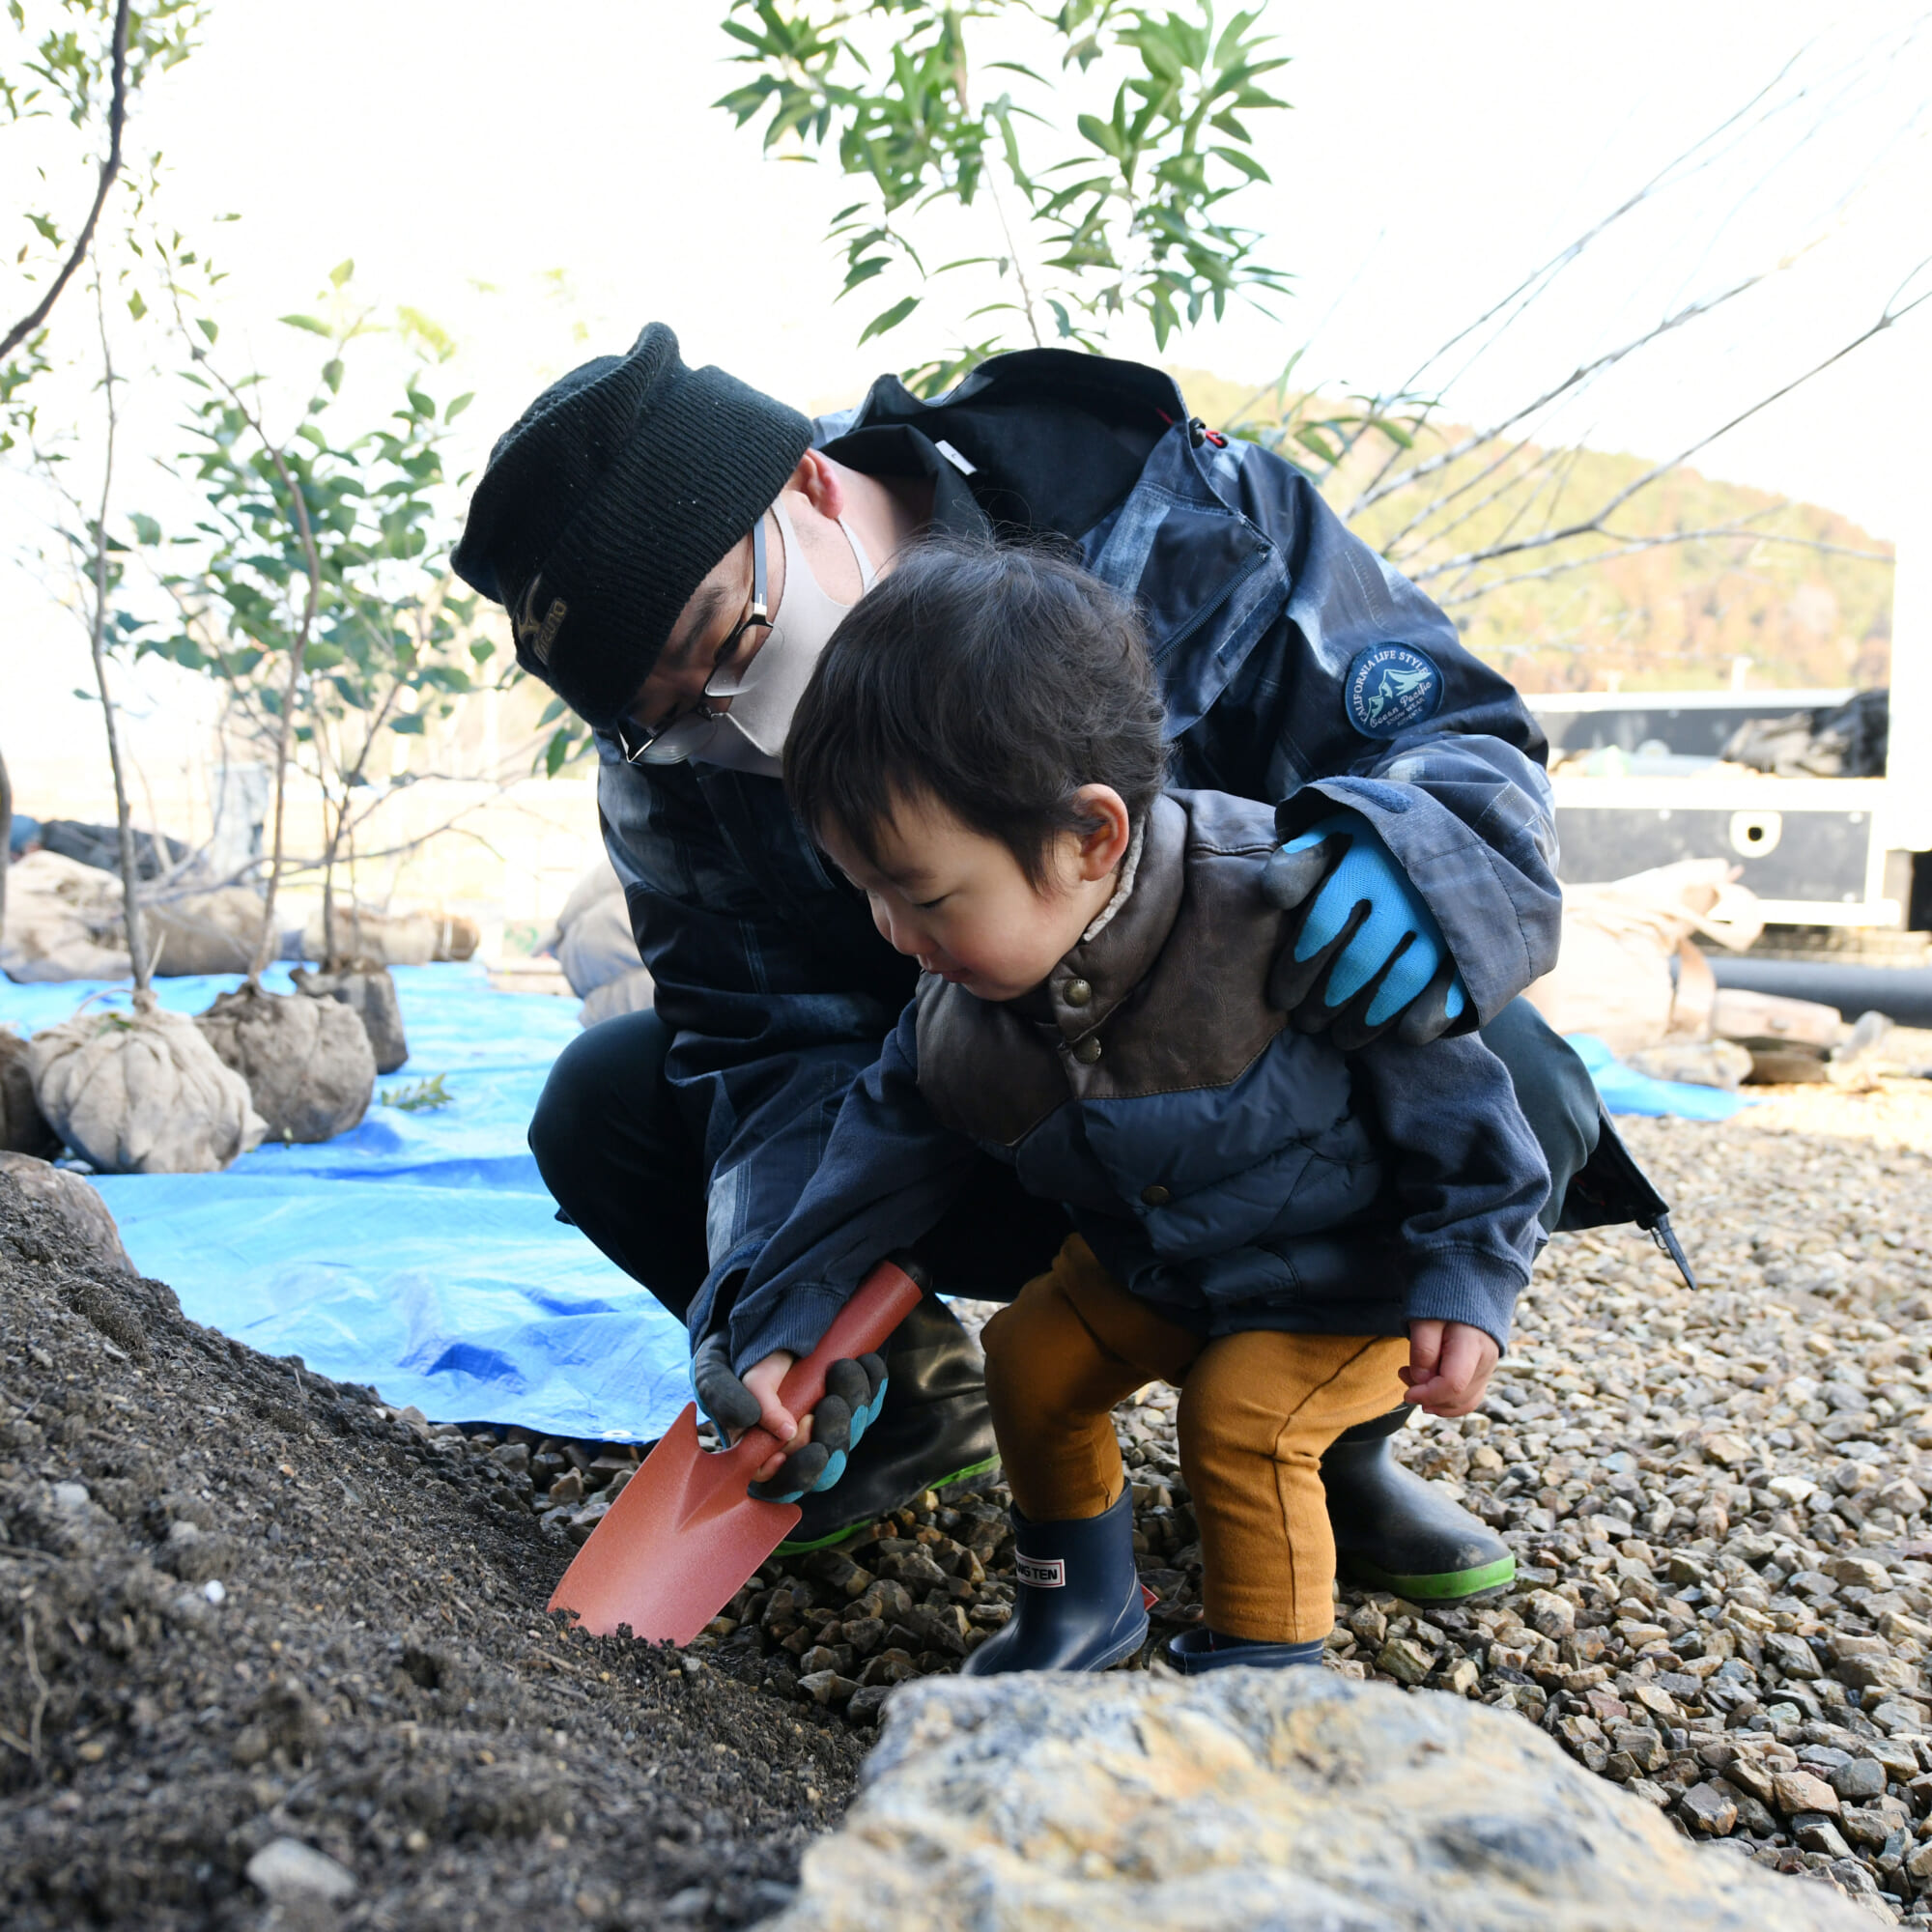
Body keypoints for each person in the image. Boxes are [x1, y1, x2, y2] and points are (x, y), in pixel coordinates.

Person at [453, 324, 1676, 1594]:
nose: (726, 720)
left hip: (1268, 1111)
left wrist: (1417, 842)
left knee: (1510, 1076)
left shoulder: (1169, 514)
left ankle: (1321, 1441)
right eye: (667, 718)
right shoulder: (680, 780)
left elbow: (1455, 726)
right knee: (608, 1107)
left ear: (807, 486)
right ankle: (902, 1405)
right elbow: (768, 1055)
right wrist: (786, 1297)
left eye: (729, 640)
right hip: (977, 1127)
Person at [712, 537, 1548, 1673]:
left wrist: (1466, 1271)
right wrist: (780, 1315)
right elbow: (863, 1173)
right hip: (1161, 1267)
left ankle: (1263, 1670)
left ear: (1088, 834)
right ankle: (1079, 1600)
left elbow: (1463, 1110)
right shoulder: (955, 1017)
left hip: (1341, 1282)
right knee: (1030, 1358)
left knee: (1239, 1420)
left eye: (920, 894)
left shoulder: (1279, 916)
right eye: (865, 891)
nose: (894, 936)